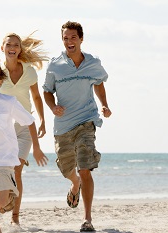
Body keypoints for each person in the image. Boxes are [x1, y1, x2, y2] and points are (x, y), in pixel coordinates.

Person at [42, 21, 112, 232]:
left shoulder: (93, 63)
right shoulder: (55, 65)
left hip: (86, 121)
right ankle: (75, 185)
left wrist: (105, 105)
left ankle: (87, 219)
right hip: (63, 125)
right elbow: (46, 90)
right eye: (66, 38)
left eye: (73, 37)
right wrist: (53, 106)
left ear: (81, 39)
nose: (69, 41)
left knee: (85, 168)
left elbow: (99, 82)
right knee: (66, 169)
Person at [0, 60, 48, 233]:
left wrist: (36, 147)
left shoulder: (8, 102)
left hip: (5, 160)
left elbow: (29, 122)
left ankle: (9, 195)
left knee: (1, 204)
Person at [0, 32, 48, 225]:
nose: (12, 47)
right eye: (9, 44)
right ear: (2, 48)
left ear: (20, 49)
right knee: (5, 168)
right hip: (2, 127)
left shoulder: (29, 71)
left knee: (17, 168)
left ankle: (15, 217)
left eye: (16, 45)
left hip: (25, 126)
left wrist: (42, 120)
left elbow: (36, 97)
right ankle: (4, 199)